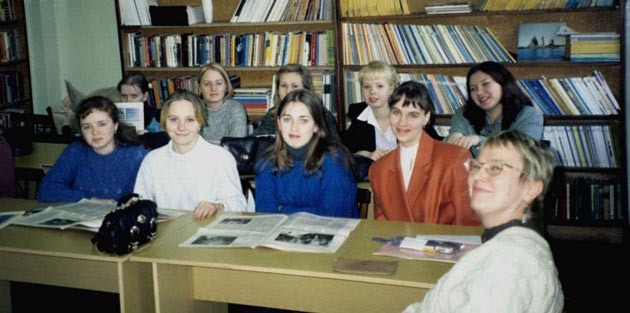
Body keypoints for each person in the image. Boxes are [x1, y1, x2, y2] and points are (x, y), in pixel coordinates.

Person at [403, 130, 564, 313]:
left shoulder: (508, 262)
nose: (477, 176)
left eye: (496, 168)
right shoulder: (512, 245)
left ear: (531, 188)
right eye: (477, 166)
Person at [368, 81, 480, 225]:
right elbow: (382, 228)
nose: (402, 122)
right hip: (396, 246)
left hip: (444, 246)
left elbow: (469, 225)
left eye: (413, 115)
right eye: (396, 112)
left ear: (426, 118)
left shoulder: (455, 158)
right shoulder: (378, 170)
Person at [134, 90, 246, 219]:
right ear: (164, 122)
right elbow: (141, 203)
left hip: (207, 231)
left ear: (200, 122)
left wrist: (217, 206)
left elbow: (239, 204)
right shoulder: (152, 160)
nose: (181, 127)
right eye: (174, 119)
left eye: (190, 120)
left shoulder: (220, 158)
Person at [255, 89, 357, 218]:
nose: (294, 128)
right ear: (279, 123)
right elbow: (266, 218)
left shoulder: (334, 162)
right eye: (287, 120)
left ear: (316, 126)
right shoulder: (266, 163)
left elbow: (335, 221)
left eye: (303, 120)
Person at [37, 96, 148, 202]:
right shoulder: (76, 151)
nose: (95, 132)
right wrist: (89, 199)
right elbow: (46, 189)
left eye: (101, 124)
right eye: (87, 127)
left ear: (115, 126)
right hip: (83, 217)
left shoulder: (137, 154)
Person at [446, 61, 543, 156]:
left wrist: (479, 140)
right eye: (473, 89)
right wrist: (453, 138)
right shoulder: (464, 114)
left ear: (503, 84)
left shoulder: (529, 115)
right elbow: (454, 139)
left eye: (485, 84)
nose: (479, 92)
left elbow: (524, 150)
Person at [341, 61, 398, 180]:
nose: (372, 92)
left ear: (391, 89)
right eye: (367, 87)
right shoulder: (359, 117)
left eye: (379, 86)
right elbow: (344, 151)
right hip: (375, 178)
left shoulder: (406, 113)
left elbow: (429, 146)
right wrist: (368, 154)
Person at [253, 64, 340, 140]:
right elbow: (259, 146)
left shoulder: (323, 115)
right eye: (283, 86)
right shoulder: (271, 115)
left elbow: (336, 150)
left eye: (294, 86)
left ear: (306, 90)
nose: (288, 91)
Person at [196, 62, 248, 144]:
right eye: (207, 84)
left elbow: (236, 144)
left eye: (218, 83)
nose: (213, 88)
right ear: (199, 89)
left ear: (226, 86)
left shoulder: (235, 108)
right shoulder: (193, 109)